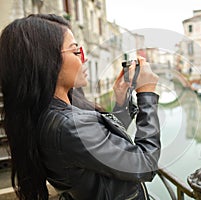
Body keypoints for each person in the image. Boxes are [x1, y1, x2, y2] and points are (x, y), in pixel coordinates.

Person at [0, 14, 160, 200]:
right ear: (46, 61)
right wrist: (147, 94)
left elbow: (105, 148)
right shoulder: (69, 126)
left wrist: (122, 101)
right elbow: (145, 164)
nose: (84, 58)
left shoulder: (51, 111)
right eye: (76, 52)